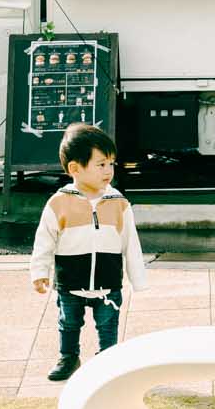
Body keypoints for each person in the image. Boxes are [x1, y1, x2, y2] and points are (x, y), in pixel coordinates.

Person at [30, 124, 147, 383]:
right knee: (69, 323)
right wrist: (39, 272)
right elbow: (44, 241)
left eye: (111, 164)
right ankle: (68, 356)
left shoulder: (118, 203)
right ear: (75, 168)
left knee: (108, 324)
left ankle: (109, 360)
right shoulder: (59, 203)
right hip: (70, 282)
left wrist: (138, 279)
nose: (108, 171)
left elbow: (131, 243)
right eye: (101, 164)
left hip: (108, 282)